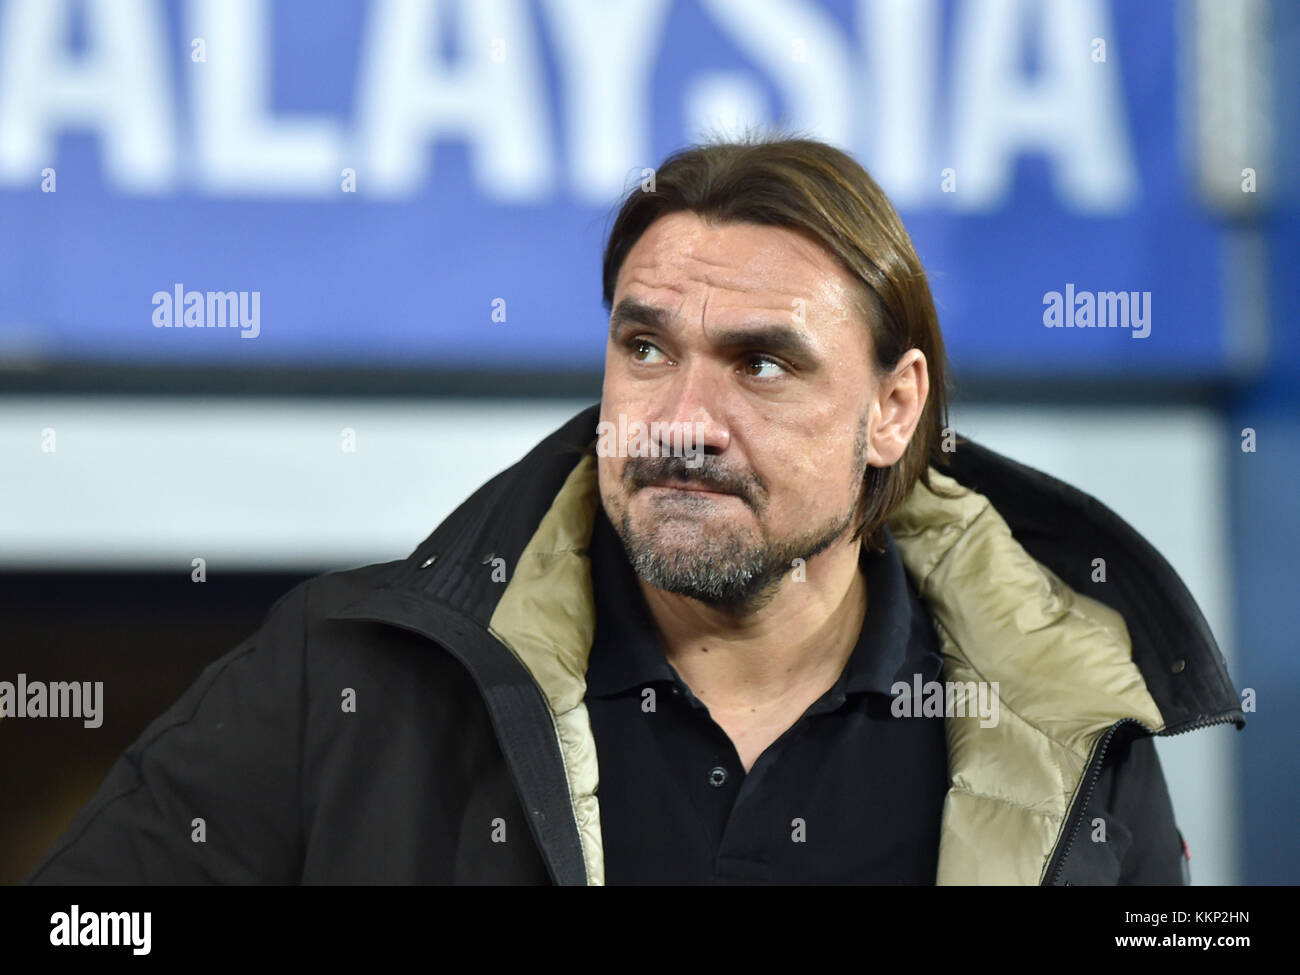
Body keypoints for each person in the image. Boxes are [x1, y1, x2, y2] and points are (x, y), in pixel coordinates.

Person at [25, 134, 1243, 885]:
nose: (681, 418)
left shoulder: (1064, 736)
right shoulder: (347, 680)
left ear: (891, 407)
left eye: (762, 364)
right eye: (647, 347)